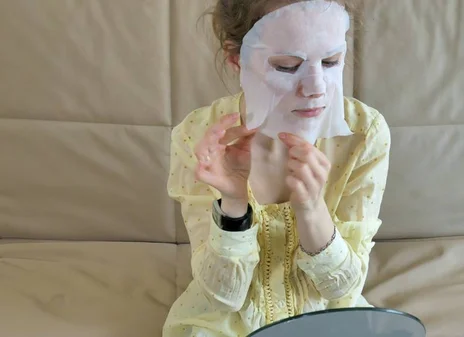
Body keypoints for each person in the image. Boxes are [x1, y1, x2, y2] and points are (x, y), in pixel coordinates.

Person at [163, 1, 391, 336]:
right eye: (286, 66)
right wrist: (233, 205)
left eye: (330, 61)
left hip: (328, 321)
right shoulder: (199, 137)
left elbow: (343, 290)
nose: (317, 88)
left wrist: (313, 209)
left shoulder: (363, 134)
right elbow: (222, 297)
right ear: (236, 58)